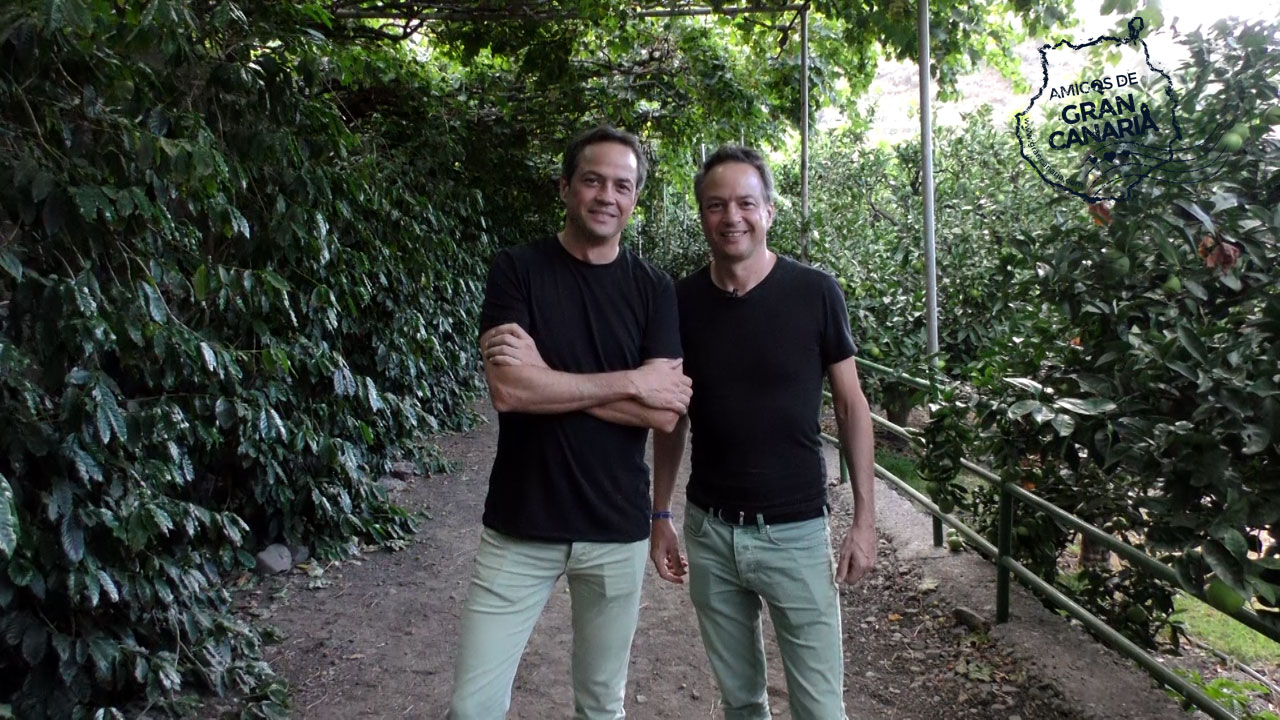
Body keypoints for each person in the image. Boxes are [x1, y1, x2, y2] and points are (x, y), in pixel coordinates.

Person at [448, 126, 692, 720]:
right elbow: (508, 389)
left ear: (635, 199)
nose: (607, 195)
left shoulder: (654, 288)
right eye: (593, 180)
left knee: (601, 705)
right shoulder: (517, 270)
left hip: (616, 529)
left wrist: (548, 379)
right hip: (520, 525)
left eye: (623, 186)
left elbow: (664, 411)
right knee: (472, 706)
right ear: (565, 188)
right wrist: (630, 379)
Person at [649, 145, 876, 720]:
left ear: (769, 211)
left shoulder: (815, 291)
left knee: (821, 709)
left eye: (746, 203)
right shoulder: (680, 302)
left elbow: (851, 406)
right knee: (742, 705)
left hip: (796, 532)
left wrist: (865, 522)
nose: (732, 217)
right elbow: (672, 417)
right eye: (716, 205)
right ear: (701, 215)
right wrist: (660, 515)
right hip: (710, 530)